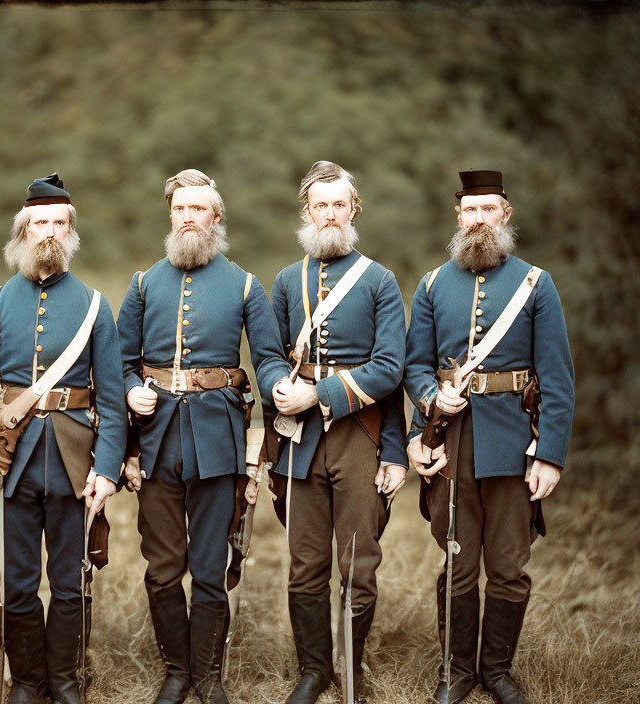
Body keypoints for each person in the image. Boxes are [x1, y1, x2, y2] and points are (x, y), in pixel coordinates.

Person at [0, 174, 127, 704]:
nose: (48, 231)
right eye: (39, 222)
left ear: (70, 231)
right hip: (12, 463)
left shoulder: (96, 306)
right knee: (18, 581)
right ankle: (28, 683)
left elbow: (114, 402)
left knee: (70, 581)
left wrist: (108, 470)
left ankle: (65, 680)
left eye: (58, 222)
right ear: (23, 230)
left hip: (76, 466)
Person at [117, 168, 290, 704]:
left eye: (199, 209)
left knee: (211, 566)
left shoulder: (243, 285)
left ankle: (209, 676)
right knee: (163, 565)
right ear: (171, 215)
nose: (188, 217)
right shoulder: (144, 284)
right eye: (179, 209)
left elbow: (266, 361)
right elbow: (119, 363)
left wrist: (264, 439)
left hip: (220, 441)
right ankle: (177, 672)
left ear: (216, 217)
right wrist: (129, 393)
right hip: (155, 441)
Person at [404, 169, 575, 704]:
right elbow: (414, 368)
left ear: (505, 214)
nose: (478, 219)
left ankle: (497, 672)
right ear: (459, 216)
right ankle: (455, 672)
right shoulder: (433, 285)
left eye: (489, 209)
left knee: (508, 566)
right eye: (470, 210)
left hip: (512, 445)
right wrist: (432, 402)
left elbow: (558, 378)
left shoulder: (535, 283)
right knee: (457, 562)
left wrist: (549, 454)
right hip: (453, 445)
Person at [256, 160, 408, 704]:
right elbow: (269, 354)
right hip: (298, 438)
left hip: (358, 433)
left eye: (338, 203)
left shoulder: (380, 281)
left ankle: (353, 667)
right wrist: (279, 386)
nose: (329, 213)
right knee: (304, 559)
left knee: (358, 558)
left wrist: (317, 395)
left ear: (353, 209)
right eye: (319, 204)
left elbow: (390, 368)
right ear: (307, 211)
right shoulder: (284, 281)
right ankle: (314, 669)